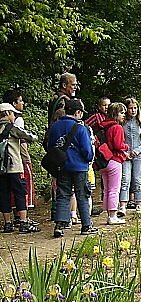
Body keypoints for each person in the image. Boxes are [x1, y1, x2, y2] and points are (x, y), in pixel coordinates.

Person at [48, 98, 96, 238]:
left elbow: (51, 146)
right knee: (82, 195)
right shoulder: (80, 128)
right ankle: (86, 225)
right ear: (78, 112)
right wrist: (88, 160)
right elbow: (87, 150)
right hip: (79, 167)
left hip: (62, 166)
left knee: (63, 195)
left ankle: (60, 225)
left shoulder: (55, 127)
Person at [0, 103, 39, 233]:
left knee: (4, 195)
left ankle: (7, 224)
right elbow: (31, 136)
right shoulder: (12, 128)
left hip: (1, 169)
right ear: (7, 114)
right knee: (20, 193)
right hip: (14, 167)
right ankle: (23, 222)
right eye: (12, 113)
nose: (14, 116)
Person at [47, 73, 79, 222]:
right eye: (72, 84)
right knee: (63, 181)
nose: (75, 87)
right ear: (64, 85)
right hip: (63, 146)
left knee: (56, 178)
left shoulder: (54, 98)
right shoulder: (63, 102)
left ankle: (58, 212)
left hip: (53, 145)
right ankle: (63, 214)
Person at [97, 102, 129, 224]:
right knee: (114, 189)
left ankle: (108, 213)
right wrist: (126, 146)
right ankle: (112, 215)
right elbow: (118, 145)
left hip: (104, 161)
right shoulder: (117, 127)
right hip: (114, 160)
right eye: (121, 113)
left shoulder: (104, 126)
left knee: (106, 189)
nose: (123, 115)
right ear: (115, 114)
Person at [121, 97, 141, 213]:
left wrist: (137, 150)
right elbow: (119, 139)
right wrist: (124, 151)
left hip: (138, 155)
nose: (133, 110)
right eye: (130, 108)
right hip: (125, 155)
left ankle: (139, 202)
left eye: (135, 108)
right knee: (125, 179)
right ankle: (123, 204)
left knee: (138, 179)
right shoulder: (122, 122)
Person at [84, 97, 111, 218]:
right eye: (104, 105)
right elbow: (85, 126)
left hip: (106, 149)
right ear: (100, 107)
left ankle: (105, 198)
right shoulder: (95, 117)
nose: (106, 107)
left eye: (108, 105)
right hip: (96, 148)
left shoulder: (110, 117)